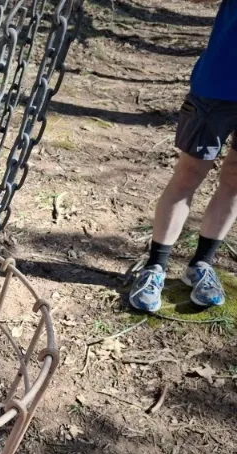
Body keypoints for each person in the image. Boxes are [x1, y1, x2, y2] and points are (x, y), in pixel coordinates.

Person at [129, 0, 237, 313]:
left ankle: (201, 265)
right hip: (217, 87)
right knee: (189, 174)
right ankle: (155, 267)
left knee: (234, 181)